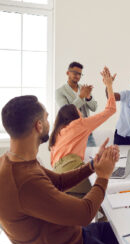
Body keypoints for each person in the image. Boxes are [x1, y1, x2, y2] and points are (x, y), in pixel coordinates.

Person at [0, 95, 128, 244]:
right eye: (47, 117)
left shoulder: (9, 161)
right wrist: (103, 176)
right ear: (38, 126)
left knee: (125, 231)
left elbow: (60, 182)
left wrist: (93, 165)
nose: (50, 122)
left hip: (73, 236)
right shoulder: (24, 181)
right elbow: (84, 213)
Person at [49, 67, 116, 197]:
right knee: (108, 186)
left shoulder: (57, 132)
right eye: (80, 112)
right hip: (72, 174)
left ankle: (101, 215)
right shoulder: (79, 124)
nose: (82, 114)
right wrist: (109, 85)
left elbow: (93, 106)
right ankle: (106, 216)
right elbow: (111, 109)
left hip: (58, 178)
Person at [56, 62, 98, 147]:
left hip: (87, 131)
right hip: (71, 133)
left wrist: (88, 96)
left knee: (93, 156)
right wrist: (82, 96)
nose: (77, 76)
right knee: (76, 159)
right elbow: (66, 112)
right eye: (75, 73)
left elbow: (94, 107)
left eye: (80, 74)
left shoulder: (83, 88)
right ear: (68, 73)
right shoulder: (60, 91)